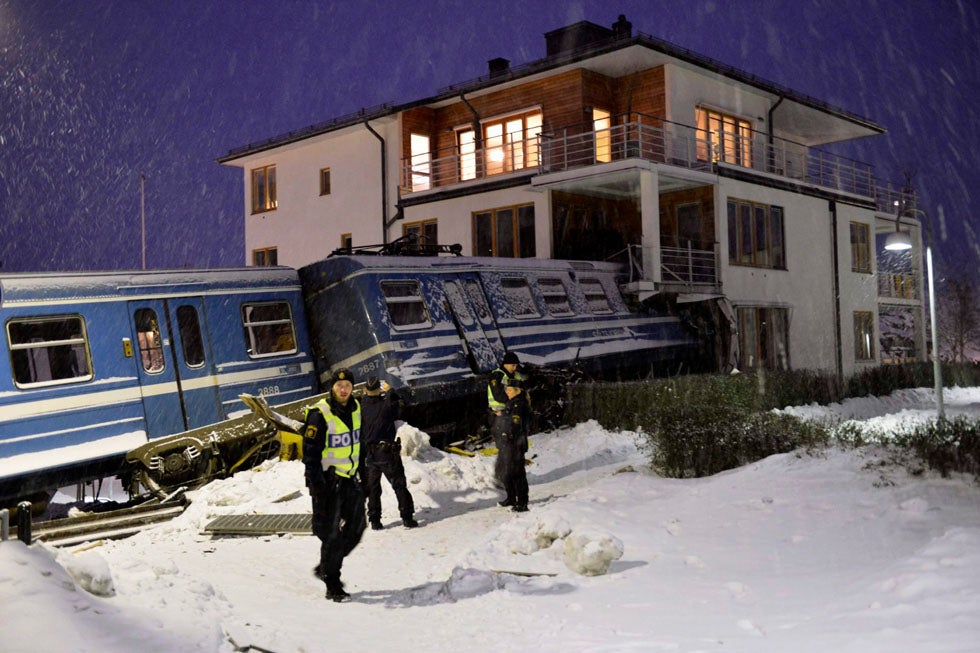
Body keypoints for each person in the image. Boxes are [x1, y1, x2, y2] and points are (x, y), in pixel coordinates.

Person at [302, 368, 366, 603]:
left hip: (350, 480)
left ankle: (326, 566)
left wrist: (365, 478)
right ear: (332, 388)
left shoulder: (357, 408)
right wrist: (317, 487)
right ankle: (332, 583)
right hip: (327, 483)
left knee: (357, 529)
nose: (343, 389)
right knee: (330, 535)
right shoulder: (320, 414)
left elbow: (361, 445)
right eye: (339, 385)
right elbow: (310, 455)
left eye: (348, 385)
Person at [359, 376, 418, 530]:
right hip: (387, 453)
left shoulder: (362, 406)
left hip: (370, 454)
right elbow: (402, 406)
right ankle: (407, 518)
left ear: (365, 390)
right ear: (379, 389)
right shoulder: (386, 405)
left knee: (373, 489)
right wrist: (391, 391)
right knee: (399, 486)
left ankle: (375, 521)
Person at [487, 351, 530, 512]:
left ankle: (521, 500)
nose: (515, 367)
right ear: (505, 364)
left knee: (515, 466)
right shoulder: (496, 376)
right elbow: (498, 394)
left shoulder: (516, 382)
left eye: (516, 365)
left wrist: (511, 406)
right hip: (501, 422)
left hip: (510, 423)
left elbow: (522, 391)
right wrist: (509, 404)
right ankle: (511, 496)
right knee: (506, 464)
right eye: (513, 364)